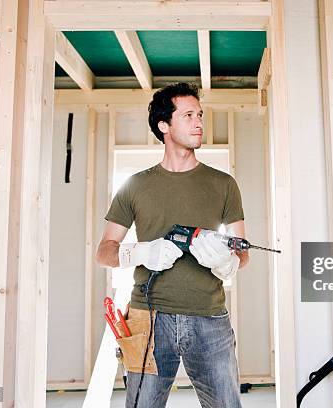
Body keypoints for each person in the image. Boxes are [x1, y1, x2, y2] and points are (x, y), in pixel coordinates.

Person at [96, 82, 248, 408]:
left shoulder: (223, 185)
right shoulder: (135, 186)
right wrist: (139, 251)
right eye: (189, 115)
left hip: (209, 318)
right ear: (164, 126)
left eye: (201, 115)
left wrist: (227, 262)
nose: (199, 123)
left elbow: (242, 251)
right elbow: (104, 251)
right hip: (147, 319)